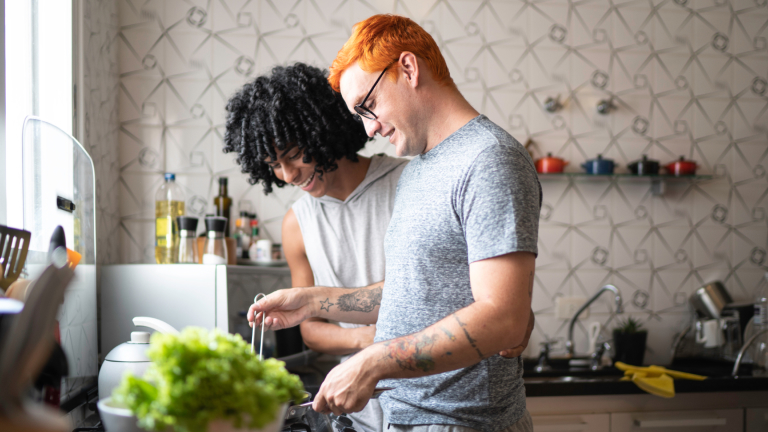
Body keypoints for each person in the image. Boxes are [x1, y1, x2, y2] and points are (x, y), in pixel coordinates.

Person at [247, 14, 541, 432]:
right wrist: (314, 302)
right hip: (407, 421)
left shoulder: (488, 159)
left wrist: (373, 362)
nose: (368, 127)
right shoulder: (421, 169)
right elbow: (417, 290)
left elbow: (503, 317)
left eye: (368, 106)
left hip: (464, 423)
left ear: (407, 68)